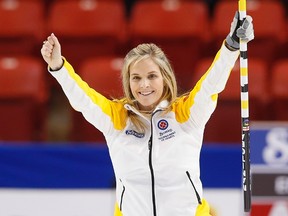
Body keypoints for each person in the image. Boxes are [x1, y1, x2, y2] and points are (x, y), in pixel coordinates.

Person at [41, 11, 254, 216]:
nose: (144, 85)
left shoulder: (186, 114)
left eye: (152, 76)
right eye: (136, 78)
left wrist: (231, 47)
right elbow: (83, 100)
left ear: (165, 78)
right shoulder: (117, 119)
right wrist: (59, 67)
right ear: (128, 81)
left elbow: (210, 86)